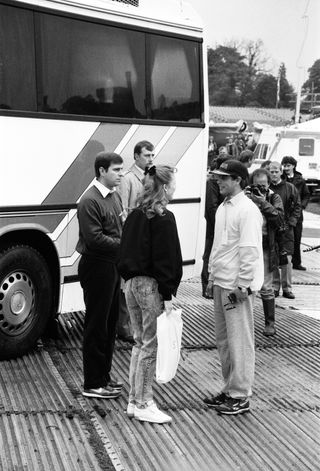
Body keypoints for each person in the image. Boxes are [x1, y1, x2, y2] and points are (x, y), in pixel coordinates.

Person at [119, 165, 182, 424]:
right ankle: (144, 402)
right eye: (174, 183)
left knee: (138, 343)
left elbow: (124, 250)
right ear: (165, 187)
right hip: (151, 286)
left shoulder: (135, 214)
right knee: (150, 345)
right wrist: (168, 294)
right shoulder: (164, 216)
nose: (176, 187)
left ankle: (134, 400)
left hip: (131, 284)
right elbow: (167, 258)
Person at [203, 160, 263, 415]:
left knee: (240, 341)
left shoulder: (247, 210)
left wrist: (243, 286)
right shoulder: (223, 208)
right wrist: (211, 276)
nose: (218, 181)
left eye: (223, 178)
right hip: (221, 282)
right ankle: (229, 389)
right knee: (225, 341)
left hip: (236, 287)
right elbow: (219, 246)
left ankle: (240, 395)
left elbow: (249, 251)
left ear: (237, 179)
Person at [77, 152, 125, 399]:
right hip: (97, 266)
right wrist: (124, 245)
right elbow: (94, 239)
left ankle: (104, 377)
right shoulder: (89, 201)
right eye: (116, 170)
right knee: (96, 325)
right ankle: (93, 383)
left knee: (109, 324)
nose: (120, 174)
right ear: (102, 171)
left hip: (111, 266)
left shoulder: (114, 197)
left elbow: (119, 227)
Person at [117, 140, 155, 342]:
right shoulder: (128, 179)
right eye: (147, 155)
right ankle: (124, 327)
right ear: (136, 156)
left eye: (152, 155)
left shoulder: (150, 178)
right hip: (131, 236)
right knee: (126, 283)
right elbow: (123, 210)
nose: (150, 159)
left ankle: (133, 324)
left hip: (142, 237)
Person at [246, 168, 284, 336]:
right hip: (248, 244)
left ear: (269, 184)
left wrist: (262, 202)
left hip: (266, 246)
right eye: (256, 185)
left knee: (266, 286)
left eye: (263, 186)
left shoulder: (274, 197)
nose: (259, 189)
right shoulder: (246, 197)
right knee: (246, 284)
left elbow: (279, 219)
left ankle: (270, 323)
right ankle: (246, 323)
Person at [269, 162, 301, 299]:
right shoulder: (267, 189)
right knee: (274, 257)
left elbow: (297, 207)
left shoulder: (290, 188)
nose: (274, 174)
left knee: (287, 258)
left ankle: (287, 288)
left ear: (281, 172)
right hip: (272, 228)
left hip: (287, 229)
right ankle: (275, 287)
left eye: (276, 171)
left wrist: (292, 223)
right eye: (271, 171)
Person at [201, 155, 231, 297]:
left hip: (220, 226)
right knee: (209, 255)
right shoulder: (213, 182)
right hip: (214, 227)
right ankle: (207, 286)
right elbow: (211, 206)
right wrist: (219, 225)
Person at [281, 156, 310, 271]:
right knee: (283, 237)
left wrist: (302, 205)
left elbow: (306, 194)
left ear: (293, 166)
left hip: (297, 213)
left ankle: (296, 262)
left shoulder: (300, 180)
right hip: (284, 212)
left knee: (297, 238)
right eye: (284, 165)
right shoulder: (282, 178)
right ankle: (282, 261)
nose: (286, 168)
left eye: (288, 165)